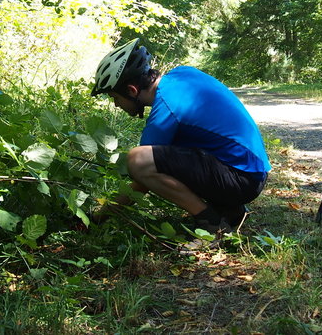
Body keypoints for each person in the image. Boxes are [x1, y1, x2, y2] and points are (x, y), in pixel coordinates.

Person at [90, 38, 271, 233]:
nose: (117, 105)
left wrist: (99, 216)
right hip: (252, 174)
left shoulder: (166, 107)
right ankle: (229, 210)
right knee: (168, 155)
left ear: (131, 90)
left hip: (241, 180)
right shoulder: (183, 74)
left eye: (115, 98)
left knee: (138, 159)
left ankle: (211, 224)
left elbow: (142, 179)